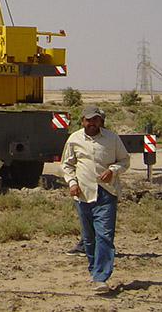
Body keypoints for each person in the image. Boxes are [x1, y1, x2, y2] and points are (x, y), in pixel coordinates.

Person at [61, 104, 130, 294]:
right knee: (89, 238)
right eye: (88, 120)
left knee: (105, 235)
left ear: (101, 120)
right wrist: (71, 183)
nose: (92, 123)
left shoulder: (112, 138)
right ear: (82, 120)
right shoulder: (74, 139)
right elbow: (67, 165)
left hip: (106, 192)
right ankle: (94, 271)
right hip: (82, 194)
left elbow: (125, 161)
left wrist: (113, 170)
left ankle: (101, 276)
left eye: (96, 119)